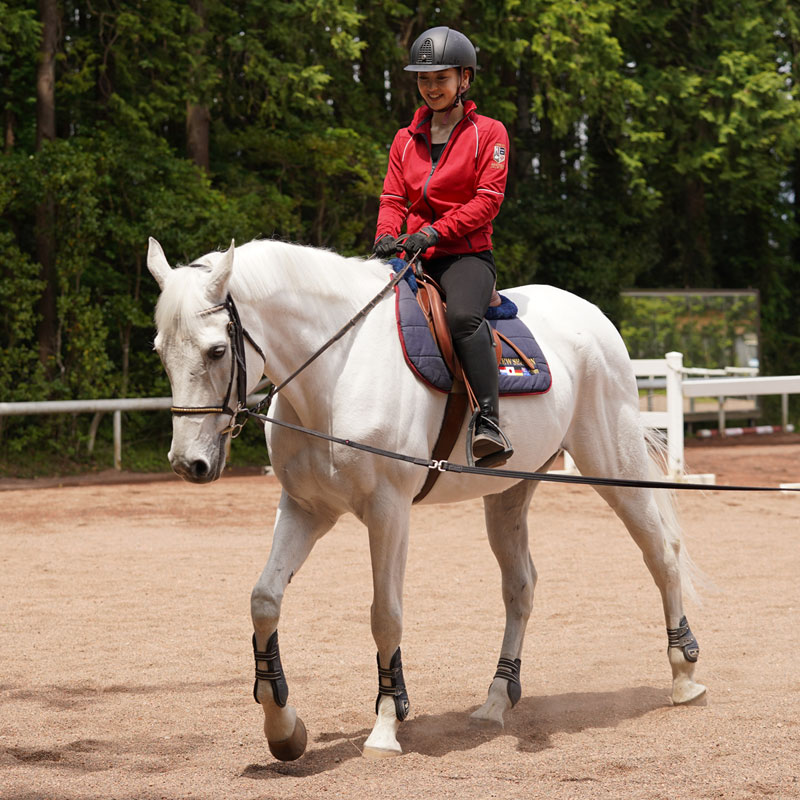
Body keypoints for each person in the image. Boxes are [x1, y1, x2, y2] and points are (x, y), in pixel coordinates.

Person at [373, 25, 513, 467]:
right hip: (410, 253)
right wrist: (384, 235)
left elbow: (487, 201)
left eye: (441, 78)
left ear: (464, 80)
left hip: (466, 255)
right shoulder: (404, 138)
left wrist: (435, 232)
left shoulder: (490, 133)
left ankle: (488, 421)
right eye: (424, 79)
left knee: (462, 318)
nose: (431, 88)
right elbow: (393, 198)